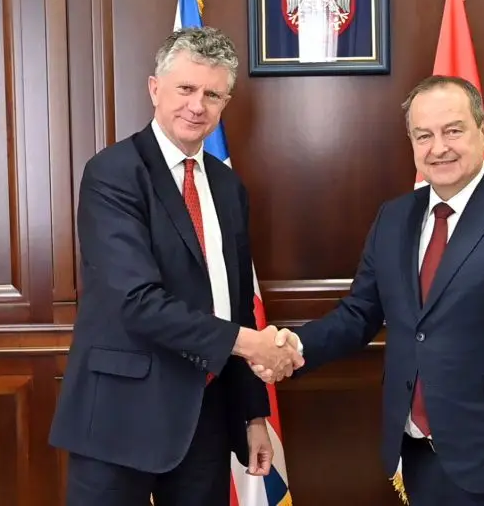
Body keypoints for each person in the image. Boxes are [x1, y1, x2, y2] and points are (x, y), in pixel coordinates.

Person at [256, 76, 484, 506]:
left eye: (453, 130)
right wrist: (296, 346)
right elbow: (360, 312)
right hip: (418, 454)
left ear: (483, 130)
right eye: (424, 135)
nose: (439, 148)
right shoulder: (394, 217)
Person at [49, 27, 303, 506]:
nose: (197, 106)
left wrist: (252, 416)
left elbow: (237, 304)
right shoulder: (112, 173)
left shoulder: (228, 187)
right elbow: (136, 302)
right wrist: (251, 345)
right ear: (155, 88)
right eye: (186, 88)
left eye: (212, 94)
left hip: (204, 416)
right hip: (120, 417)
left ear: (225, 102)